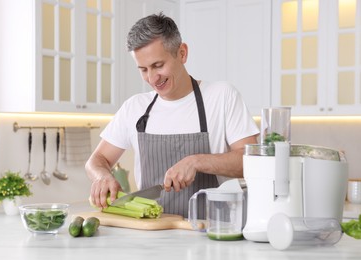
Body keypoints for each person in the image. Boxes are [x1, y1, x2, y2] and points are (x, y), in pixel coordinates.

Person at [85, 13, 259, 218]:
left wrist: (196, 161)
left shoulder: (222, 96)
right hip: (152, 233)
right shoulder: (134, 107)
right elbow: (97, 160)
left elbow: (251, 162)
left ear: (182, 53)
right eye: (143, 69)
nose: (152, 78)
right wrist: (102, 176)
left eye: (158, 65)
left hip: (211, 230)